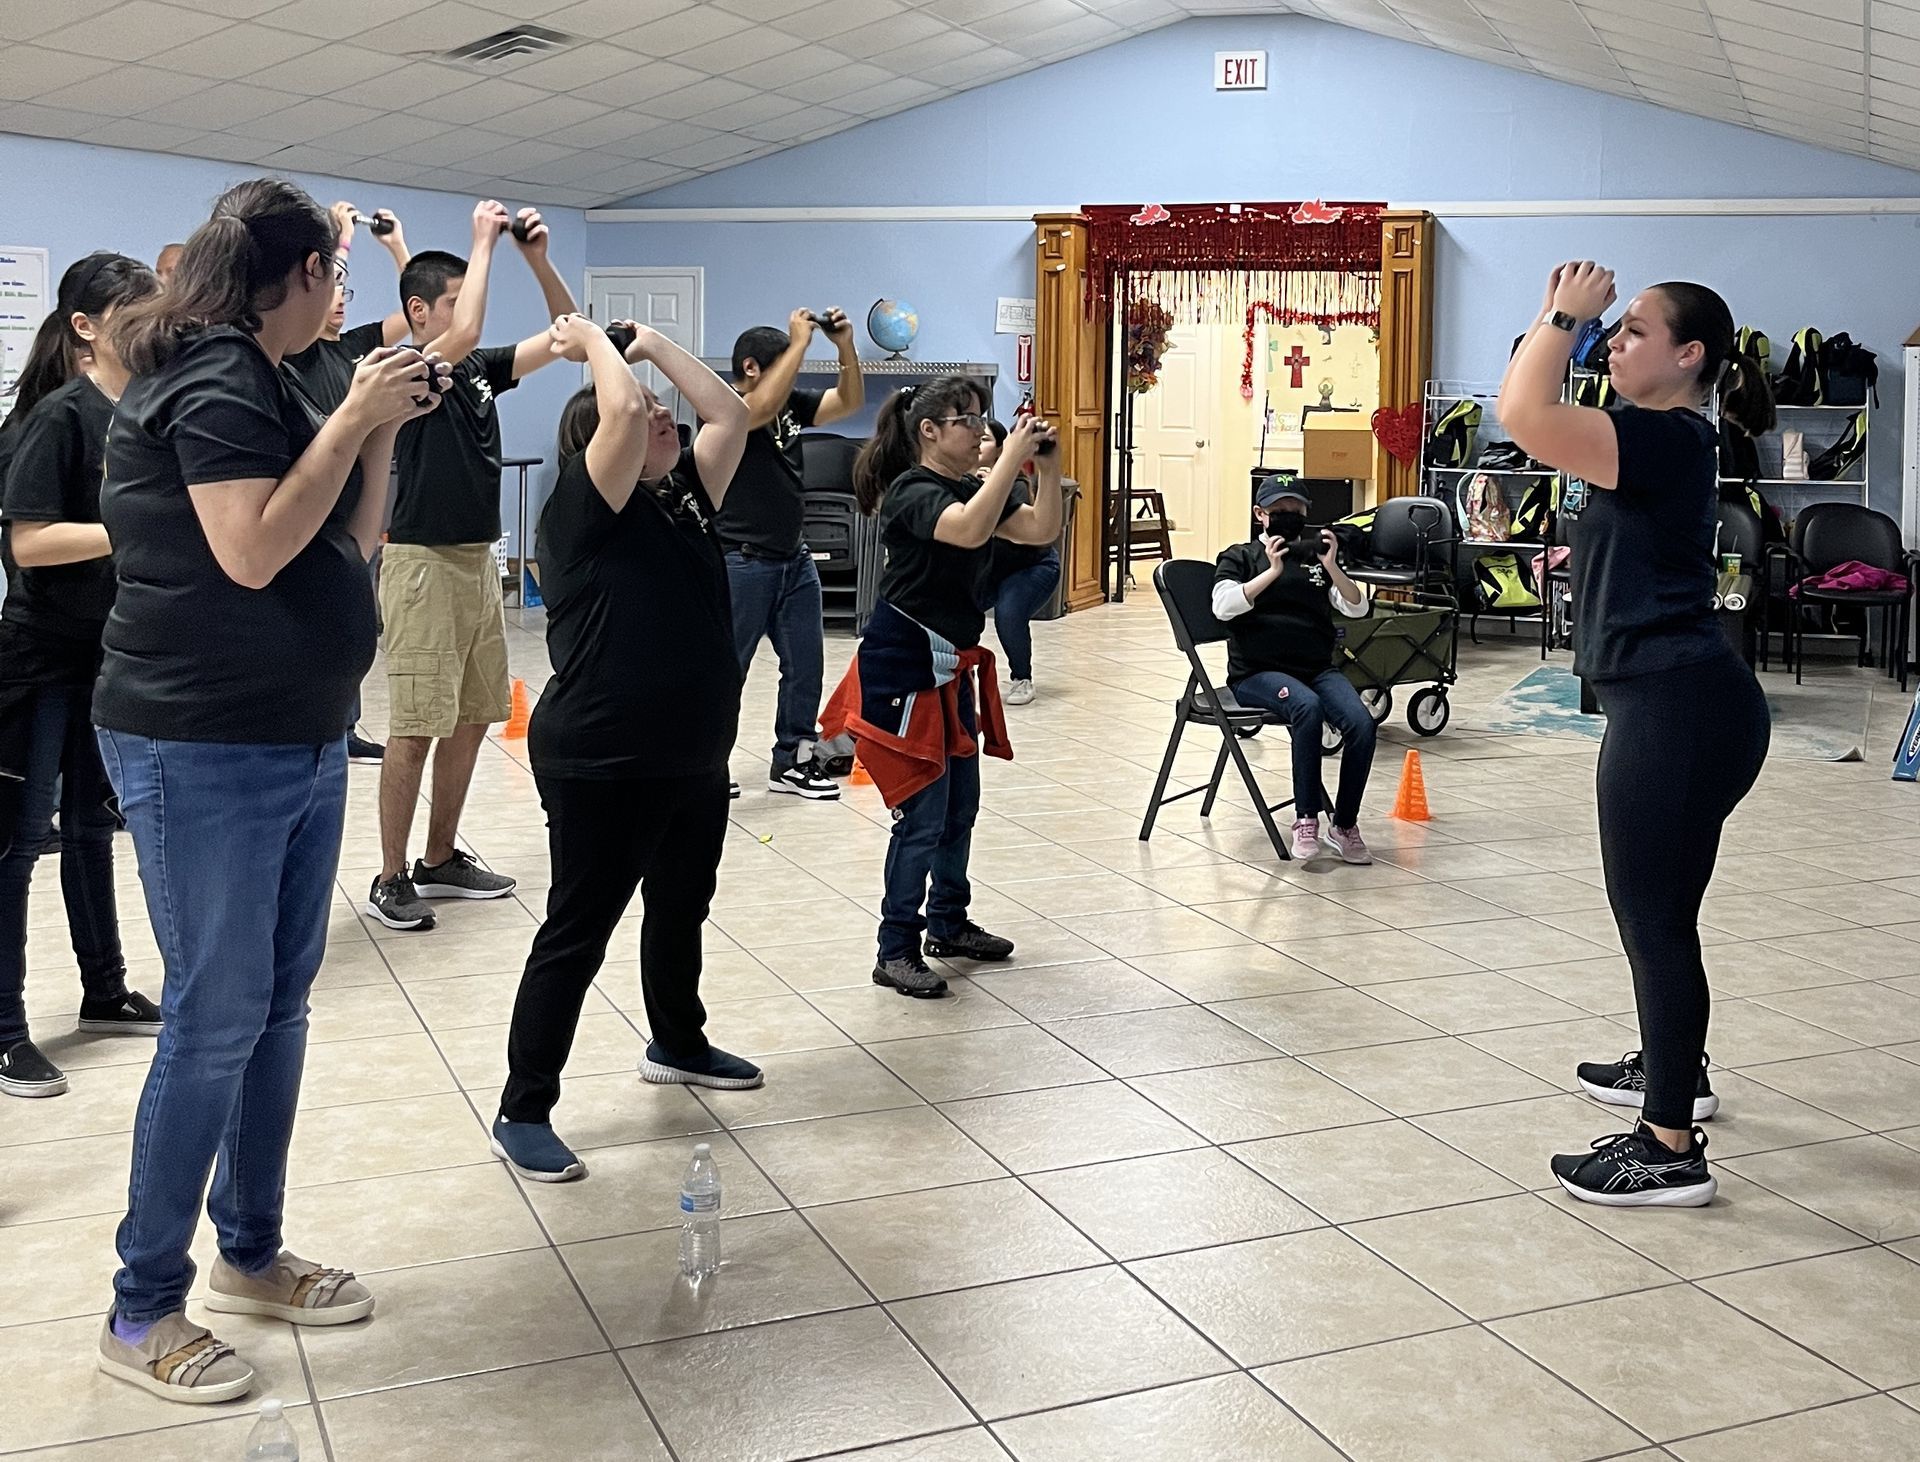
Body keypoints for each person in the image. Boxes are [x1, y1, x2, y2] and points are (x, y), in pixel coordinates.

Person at [90, 178, 447, 1401]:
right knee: (213, 1017)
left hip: (297, 736)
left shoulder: (282, 378)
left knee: (276, 1007)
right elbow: (247, 554)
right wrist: (351, 417)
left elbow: (345, 548)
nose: (339, 300)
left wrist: (381, 425)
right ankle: (141, 1308)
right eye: (332, 278)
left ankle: (248, 1250)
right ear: (291, 279)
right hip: (200, 744)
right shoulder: (212, 380)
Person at [1499, 262, 1771, 1208]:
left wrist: (1563, 314)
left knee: (1652, 922)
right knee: (1665, 918)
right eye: (1608, 330)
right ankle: (1674, 1073)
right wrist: (1567, 326)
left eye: (1633, 330)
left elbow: (1521, 415)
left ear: (1689, 356)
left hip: (1677, 707)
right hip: (1681, 704)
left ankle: (1668, 1144)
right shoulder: (1656, 437)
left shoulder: (1662, 439)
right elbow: (1540, 409)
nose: (1612, 340)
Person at [490, 314, 755, 1182]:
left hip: (690, 756)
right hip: (602, 760)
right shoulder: (579, 515)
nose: (660, 416)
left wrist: (650, 347)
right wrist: (594, 349)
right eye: (645, 413)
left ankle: (678, 1042)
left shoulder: (683, 502)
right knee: (578, 931)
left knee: (681, 906)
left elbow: (732, 418)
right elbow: (614, 417)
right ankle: (523, 1108)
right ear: (601, 443)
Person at [366, 200, 579, 932]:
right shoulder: (404, 368)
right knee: (417, 724)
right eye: (452, 300)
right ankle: (391, 874)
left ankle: (439, 857)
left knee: (468, 719)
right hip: (420, 562)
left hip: (474, 558)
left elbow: (567, 339)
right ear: (420, 313)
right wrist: (482, 240)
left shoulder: (479, 370)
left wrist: (538, 260)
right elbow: (466, 332)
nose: (469, 314)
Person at [828, 379, 1061, 997]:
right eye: (967, 420)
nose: (979, 430)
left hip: (950, 665)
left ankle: (948, 924)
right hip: (904, 669)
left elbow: (1038, 529)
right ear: (929, 431)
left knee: (960, 810)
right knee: (922, 819)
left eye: (983, 419)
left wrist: (1047, 464)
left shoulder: (967, 488)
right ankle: (895, 948)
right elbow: (965, 531)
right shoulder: (914, 490)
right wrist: (1010, 456)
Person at [0, 252, 162, 1100]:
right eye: (135, 313)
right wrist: (129, 526)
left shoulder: (142, 410)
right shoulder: (56, 418)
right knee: (19, 843)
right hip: (39, 663)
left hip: (112, 657)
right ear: (87, 328)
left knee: (95, 829)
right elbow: (27, 543)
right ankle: (4, 1031)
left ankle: (105, 990)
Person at [283, 202, 412, 766]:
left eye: (345, 291)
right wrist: (342, 237)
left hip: (357, 512)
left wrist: (398, 248)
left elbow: (422, 315)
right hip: (309, 514)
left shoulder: (356, 349)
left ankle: (346, 721)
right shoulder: (292, 358)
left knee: (354, 615)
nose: (337, 299)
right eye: (330, 285)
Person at [722, 309, 864, 799]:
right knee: (727, 671)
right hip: (741, 561)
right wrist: (800, 344)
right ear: (751, 368)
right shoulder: (724, 404)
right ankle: (705, 766)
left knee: (805, 664)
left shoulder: (788, 405)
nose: (792, 376)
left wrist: (844, 346)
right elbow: (754, 412)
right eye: (782, 365)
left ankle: (794, 761)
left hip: (793, 559)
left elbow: (849, 400)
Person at [1211, 479, 1374, 864]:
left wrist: (1332, 567)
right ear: (1260, 515)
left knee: (1361, 723)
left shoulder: (1313, 558)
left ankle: (1344, 824)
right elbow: (1222, 606)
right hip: (1257, 673)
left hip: (1316, 667)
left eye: (1296, 511)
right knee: (1307, 707)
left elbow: (1357, 607)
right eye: (1279, 511)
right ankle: (1306, 819)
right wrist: (1271, 570)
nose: (1288, 518)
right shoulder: (1240, 556)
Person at [978, 418, 1061, 706]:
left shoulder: (1015, 485)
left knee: (1008, 612)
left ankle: (1021, 678)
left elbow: (1028, 533)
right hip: (992, 568)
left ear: (1003, 449)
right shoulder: (959, 479)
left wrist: (988, 486)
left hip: (1032, 565)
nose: (977, 443)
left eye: (986, 439)